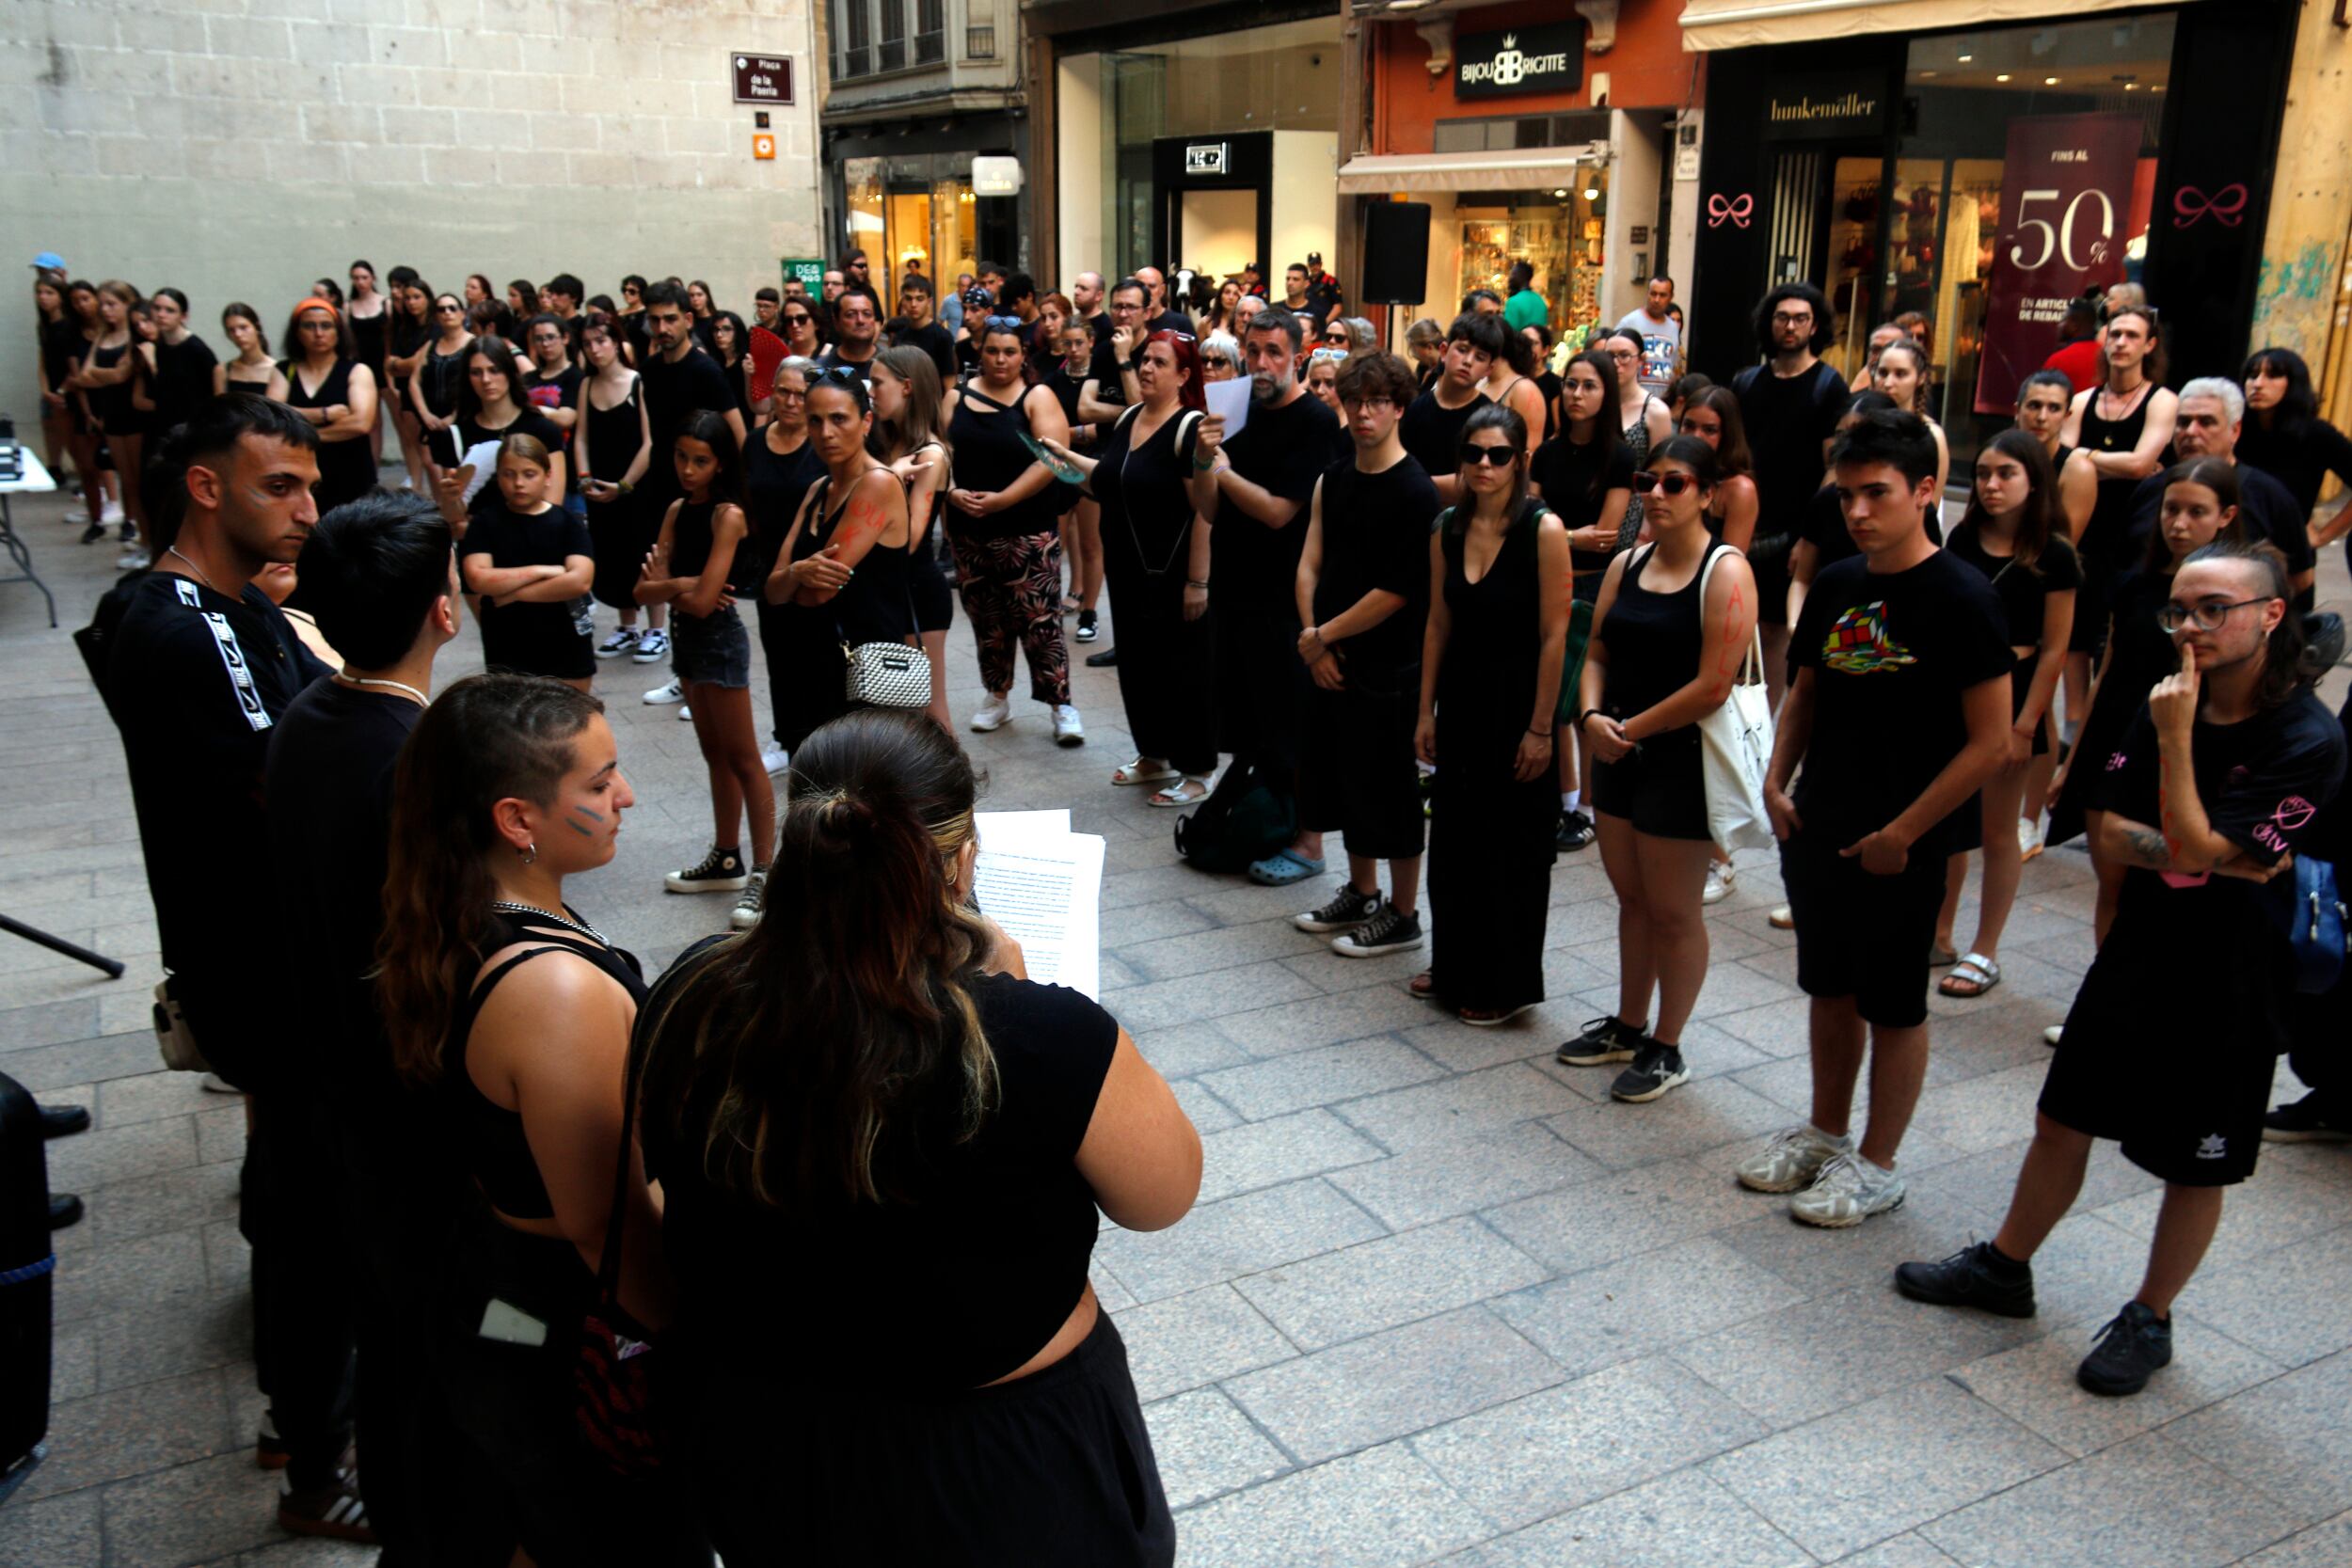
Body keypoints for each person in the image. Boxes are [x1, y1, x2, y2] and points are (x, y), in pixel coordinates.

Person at [631, 709, 1195, 1562]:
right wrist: (1015, 996)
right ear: (963, 862)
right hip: (1000, 1464)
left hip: (769, 1436)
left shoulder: (690, 994)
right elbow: (1163, 1194)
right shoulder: (1037, 1034)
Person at [1898, 540, 2344, 1396]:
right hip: (2141, 948)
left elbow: (2191, 842)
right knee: (2063, 1117)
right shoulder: (2166, 697)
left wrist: (2181, 762)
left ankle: (2151, 1315)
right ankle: (2004, 1265)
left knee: (2196, 1159)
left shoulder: (2305, 738)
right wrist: (2206, 847)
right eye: (2181, 608)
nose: (2192, 626)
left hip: (2237, 974)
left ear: (2271, 614)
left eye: (2215, 608)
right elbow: (2110, 833)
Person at [103, 400, 373, 1538]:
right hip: (268, 961)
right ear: (207, 489)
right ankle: (315, 1451)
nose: (309, 511)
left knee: (294, 1179)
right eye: (283, 488)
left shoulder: (220, 607)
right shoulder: (189, 621)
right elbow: (287, 774)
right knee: (312, 1204)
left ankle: (299, 1404)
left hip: (267, 952)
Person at [375, 674, 710, 1560]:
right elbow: (607, 1222)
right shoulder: (553, 988)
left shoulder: (462, 904)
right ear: (518, 819)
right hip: (563, 1325)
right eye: (599, 784)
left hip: (499, 1291)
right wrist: (686, 1343)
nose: (627, 795)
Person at [265, 489, 472, 1558]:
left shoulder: (311, 716)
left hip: (338, 1080)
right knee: (426, 1350)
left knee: (394, 1333)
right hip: (406, 1104)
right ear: (444, 609)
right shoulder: (419, 759)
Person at [1743, 410, 2012, 1227]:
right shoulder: (1835, 584)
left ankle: (1880, 1160)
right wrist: (1776, 779)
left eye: (1877, 493)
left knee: (1894, 1002)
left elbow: (1991, 741)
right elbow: (1809, 691)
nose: (1859, 511)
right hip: (1820, 818)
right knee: (1829, 986)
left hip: (1906, 839)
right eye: (1847, 493)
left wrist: (1906, 830)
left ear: (1926, 491)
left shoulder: (1962, 596)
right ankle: (1827, 1130)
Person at [1562, 434, 1759, 1100]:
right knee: (1632, 899)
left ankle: (1668, 1045)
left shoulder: (1726, 569)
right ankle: (1627, 1020)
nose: (1656, 493)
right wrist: (1591, 718)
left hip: (1680, 757)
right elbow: (1595, 651)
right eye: (1649, 480)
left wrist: (1628, 729)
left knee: (1675, 911)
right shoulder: (1629, 563)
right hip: (1617, 745)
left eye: (1676, 483)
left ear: (1707, 495)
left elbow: (1715, 683)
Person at [1409, 405, 1571, 1022]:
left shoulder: (1543, 529)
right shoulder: (1447, 527)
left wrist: (1540, 727)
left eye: (1498, 454)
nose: (1484, 464)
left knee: (1513, 851)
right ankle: (1453, 964)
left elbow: (1556, 634)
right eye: (1473, 452)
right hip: (1463, 703)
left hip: (1518, 705)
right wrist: (1425, 709)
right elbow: (1437, 622)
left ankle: (1503, 984)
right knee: (1454, 841)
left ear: (1520, 461)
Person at [2047, 459, 2249, 953]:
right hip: (2113, 738)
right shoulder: (2136, 580)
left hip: (2183, 748)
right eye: (2171, 509)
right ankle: (2104, 1000)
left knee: (2170, 893)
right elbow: (2108, 671)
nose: (2178, 523)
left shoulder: (2240, 596)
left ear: (2225, 516)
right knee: (2111, 886)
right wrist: (2070, 762)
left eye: (2195, 512)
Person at [1287, 351, 1438, 958]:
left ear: (1400, 407)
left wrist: (1324, 635)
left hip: (1388, 664)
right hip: (1329, 655)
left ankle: (1404, 914)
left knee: (1392, 790)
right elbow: (1309, 562)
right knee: (1342, 777)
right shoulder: (1335, 476)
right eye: (1355, 401)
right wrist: (1312, 636)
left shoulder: (1416, 489)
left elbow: (1398, 590)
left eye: (1378, 401)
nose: (1365, 412)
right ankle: (1361, 889)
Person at [1188, 308, 1344, 886]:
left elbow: (1281, 513)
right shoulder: (1235, 412)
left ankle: (1310, 843)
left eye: (1274, 352)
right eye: (1253, 351)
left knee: (1293, 723)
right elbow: (1207, 508)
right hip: (1237, 591)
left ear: (1297, 356)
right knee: (1251, 719)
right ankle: (1265, 818)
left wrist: (1222, 470)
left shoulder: (1314, 423)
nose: (1260, 363)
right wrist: (1205, 460)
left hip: (1288, 599)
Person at [1929, 431, 2078, 1000]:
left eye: (2006, 474)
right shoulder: (1963, 537)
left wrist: (2025, 724)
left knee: (1997, 830)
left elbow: (2056, 649)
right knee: (1950, 821)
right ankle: (1940, 932)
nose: (1991, 485)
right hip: (1959, 689)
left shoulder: (2055, 554)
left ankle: (1984, 949)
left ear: (2034, 481)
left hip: (2015, 694)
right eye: (1985, 473)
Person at [1042, 330, 1218, 806]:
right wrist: (1060, 458)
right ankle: (1153, 754)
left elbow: (1205, 510)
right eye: (1144, 361)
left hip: (1174, 571)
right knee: (1140, 667)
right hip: (1129, 568)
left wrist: (1198, 581)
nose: (1146, 369)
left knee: (1184, 670)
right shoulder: (1129, 418)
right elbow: (1106, 481)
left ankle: (1197, 768)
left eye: (1159, 362)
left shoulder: (1190, 427)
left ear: (1183, 375)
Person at [638, 409, 775, 930]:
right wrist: (680, 586)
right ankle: (726, 857)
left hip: (718, 642)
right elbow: (645, 591)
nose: (688, 469)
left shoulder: (728, 515)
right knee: (713, 754)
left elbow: (698, 601)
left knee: (743, 757)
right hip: (688, 642)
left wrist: (674, 586)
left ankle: (764, 871)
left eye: (701, 460)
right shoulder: (677, 509)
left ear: (721, 464)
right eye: (681, 457)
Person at [943, 318, 1085, 742]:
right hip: (970, 532)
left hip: (1028, 532)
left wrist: (1005, 498)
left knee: (1041, 624)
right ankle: (997, 696)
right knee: (987, 622)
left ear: (1023, 355)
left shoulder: (1036, 395)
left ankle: (1062, 706)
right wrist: (950, 492)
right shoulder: (956, 397)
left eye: (1009, 351)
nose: (1000, 359)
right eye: (992, 351)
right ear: (979, 353)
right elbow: (936, 451)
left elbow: (1054, 458)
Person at [762, 368, 914, 755]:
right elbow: (773, 589)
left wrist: (794, 579)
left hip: (866, 674)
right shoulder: (817, 489)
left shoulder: (878, 484)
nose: (826, 432)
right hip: (814, 666)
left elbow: (817, 594)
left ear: (865, 422)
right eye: (815, 420)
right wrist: (798, 571)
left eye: (838, 419)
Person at [2058, 304, 2175, 745]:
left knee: (2120, 629)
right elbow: (2064, 460)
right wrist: (2115, 465)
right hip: (2086, 524)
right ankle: (2073, 721)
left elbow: (2143, 461)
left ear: (2150, 345)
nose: (2121, 342)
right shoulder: (2084, 401)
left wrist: (2086, 459)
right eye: (2115, 334)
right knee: (2076, 630)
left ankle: (2102, 718)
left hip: (2137, 531)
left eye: (2131, 335)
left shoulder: (2161, 400)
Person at [636, 282, 747, 690]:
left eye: (669, 319)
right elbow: (652, 436)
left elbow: (735, 432)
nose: (662, 327)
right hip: (665, 490)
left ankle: (705, 676)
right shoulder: (647, 370)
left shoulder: (706, 370)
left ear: (687, 319)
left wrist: (729, 494)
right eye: (654, 320)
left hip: (708, 496)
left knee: (708, 592)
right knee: (667, 571)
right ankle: (682, 675)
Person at [2122, 377, 2317, 606]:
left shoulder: (2270, 497)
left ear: (2235, 430)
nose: (2191, 432)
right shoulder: (2150, 490)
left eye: (2206, 422)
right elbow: (2125, 564)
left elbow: (2300, 580)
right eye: (2183, 422)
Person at [1735, 283, 1851, 616]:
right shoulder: (1747, 382)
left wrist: (1808, 537)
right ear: (1769, 323)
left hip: (1793, 531)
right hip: (1745, 524)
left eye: (1801, 319)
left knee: (1775, 625)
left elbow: (1834, 467)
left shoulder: (1828, 385)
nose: (1790, 326)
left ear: (1814, 326)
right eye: (1782, 318)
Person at [459, 434, 596, 689]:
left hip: (564, 639)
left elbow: (579, 581)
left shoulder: (568, 523)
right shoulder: (484, 523)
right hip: (508, 642)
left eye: (528, 474)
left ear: (547, 476)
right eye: (508, 474)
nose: (518, 483)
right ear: (497, 476)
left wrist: (513, 594)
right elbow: (478, 578)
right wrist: (543, 571)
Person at [745, 355, 827, 770]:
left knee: (815, 659)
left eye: (800, 394)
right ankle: (785, 738)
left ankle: (819, 742)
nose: (791, 401)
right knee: (778, 657)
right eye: (783, 392)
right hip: (769, 570)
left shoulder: (823, 444)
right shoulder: (755, 442)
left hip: (815, 569)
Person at [869, 345, 957, 732]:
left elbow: (910, 536)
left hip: (918, 593)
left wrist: (886, 475)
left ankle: (959, 793)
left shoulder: (930, 453)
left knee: (931, 714)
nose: (871, 391)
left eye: (877, 383)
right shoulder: (889, 445)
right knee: (902, 715)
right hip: (890, 589)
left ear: (906, 387)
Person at [575, 310, 663, 662]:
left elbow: (649, 442)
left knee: (645, 554)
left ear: (616, 342)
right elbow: (580, 438)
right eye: (588, 344)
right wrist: (584, 477)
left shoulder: (637, 382)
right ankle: (627, 626)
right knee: (612, 554)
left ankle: (656, 630)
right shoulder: (586, 385)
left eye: (601, 341)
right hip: (599, 487)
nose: (595, 350)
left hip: (636, 487)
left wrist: (624, 484)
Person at [2239, 344, 2352, 556]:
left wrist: (2323, 535)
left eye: (2272, 376)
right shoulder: (2234, 430)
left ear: (2293, 385)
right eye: (2252, 376)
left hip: (2287, 555)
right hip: (2233, 547)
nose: (2258, 384)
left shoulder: (2317, 434)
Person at [278, 298, 380, 516]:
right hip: (301, 474)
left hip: (351, 472)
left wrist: (301, 431)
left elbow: (360, 423)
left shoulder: (357, 371)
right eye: (309, 326)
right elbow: (273, 416)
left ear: (338, 332)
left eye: (326, 325)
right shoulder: (284, 370)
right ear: (297, 332)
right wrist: (324, 413)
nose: (318, 333)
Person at [442, 334, 564, 507]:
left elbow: (553, 504)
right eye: (476, 372)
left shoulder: (543, 429)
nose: (486, 380)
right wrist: (450, 499)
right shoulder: (456, 435)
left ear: (509, 372)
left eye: (494, 370)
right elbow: (452, 514)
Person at [1399, 312, 1502, 508]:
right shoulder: (1415, 409)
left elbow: (1477, 483)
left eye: (1480, 357)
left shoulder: (1490, 418)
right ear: (1444, 351)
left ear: (1488, 370)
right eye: (1462, 350)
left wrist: (1416, 482)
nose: (1468, 361)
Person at [1869, 337, 1949, 498]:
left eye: (1901, 374)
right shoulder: (1859, 422)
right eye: (1883, 373)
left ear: (1921, 378)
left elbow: (1931, 506)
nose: (1888, 383)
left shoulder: (1932, 435)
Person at [405, 291, 474, 471]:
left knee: (464, 471)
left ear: (463, 313)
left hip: (465, 419)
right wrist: (425, 414)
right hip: (435, 421)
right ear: (436, 316)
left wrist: (455, 415)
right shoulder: (431, 345)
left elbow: (476, 385)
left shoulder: (473, 345)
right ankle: (441, 501)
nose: (447, 313)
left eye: (452, 308)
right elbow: (414, 381)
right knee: (440, 469)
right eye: (442, 309)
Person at [383, 272, 433, 488]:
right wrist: (401, 365)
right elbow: (389, 364)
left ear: (427, 299)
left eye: (416, 297)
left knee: (430, 456)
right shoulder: (404, 328)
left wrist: (400, 365)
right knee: (413, 445)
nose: (411, 302)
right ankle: (417, 489)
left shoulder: (435, 328)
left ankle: (440, 502)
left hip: (427, 394)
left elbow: (417, 363)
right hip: (406, 394)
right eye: (408, 298)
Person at [1615, 277, 1681, 396]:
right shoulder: (1630, 322)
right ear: (1647, 294)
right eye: (1653, 294)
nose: (1656, 300)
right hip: (1632, 398)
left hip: (1661, 399)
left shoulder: (1673, 328)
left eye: (1662, 295)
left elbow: (1673, 364)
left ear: (1671, 297)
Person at [889, 274, 957, 381]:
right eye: (908, 298)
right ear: (903, 301)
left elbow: (950, 383)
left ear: (929, 302)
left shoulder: (942, 337)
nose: (913, 304)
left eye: (919, 299)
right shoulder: (899, 337)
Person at [216, 301, 286, 401]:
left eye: (243, 327)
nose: (238, 334)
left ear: (256, 327)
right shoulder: (222, 370)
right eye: (232, 330)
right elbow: (218, 410)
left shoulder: (277, 369)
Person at [821, 289, 882, 382]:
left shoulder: (893, 366)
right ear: (836, 322)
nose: (860, 320)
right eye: (851, 315)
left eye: (867, 314)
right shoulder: (822, 370)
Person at [780, 293, 824, 361]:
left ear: (816, 323)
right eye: (789, 320)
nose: (795, 325)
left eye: (801, 319)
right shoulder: (779, 355)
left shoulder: (830, 354)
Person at [1406, 317, 1445, 392]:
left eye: (1413, 349)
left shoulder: (1447, 372)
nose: (1412, 355)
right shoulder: (1423, 367)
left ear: (1429, 347)